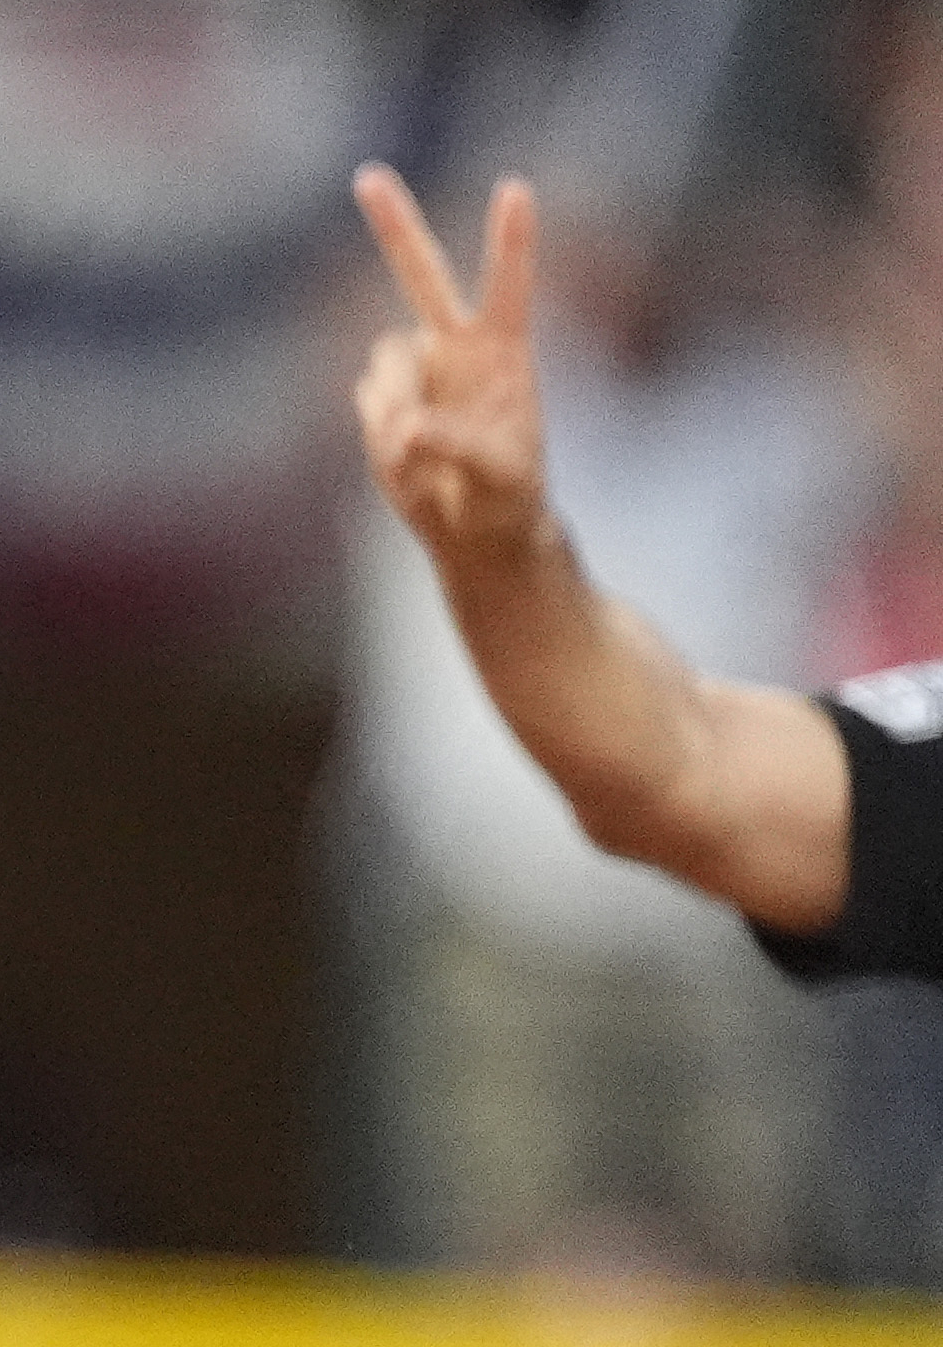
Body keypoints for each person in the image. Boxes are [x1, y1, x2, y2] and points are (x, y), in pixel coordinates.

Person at [353, 160, 943, 985]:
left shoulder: (777, 399)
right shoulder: (513, 384)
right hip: (491, 902)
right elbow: (682, 769)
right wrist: (504, 553)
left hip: (711, 967)